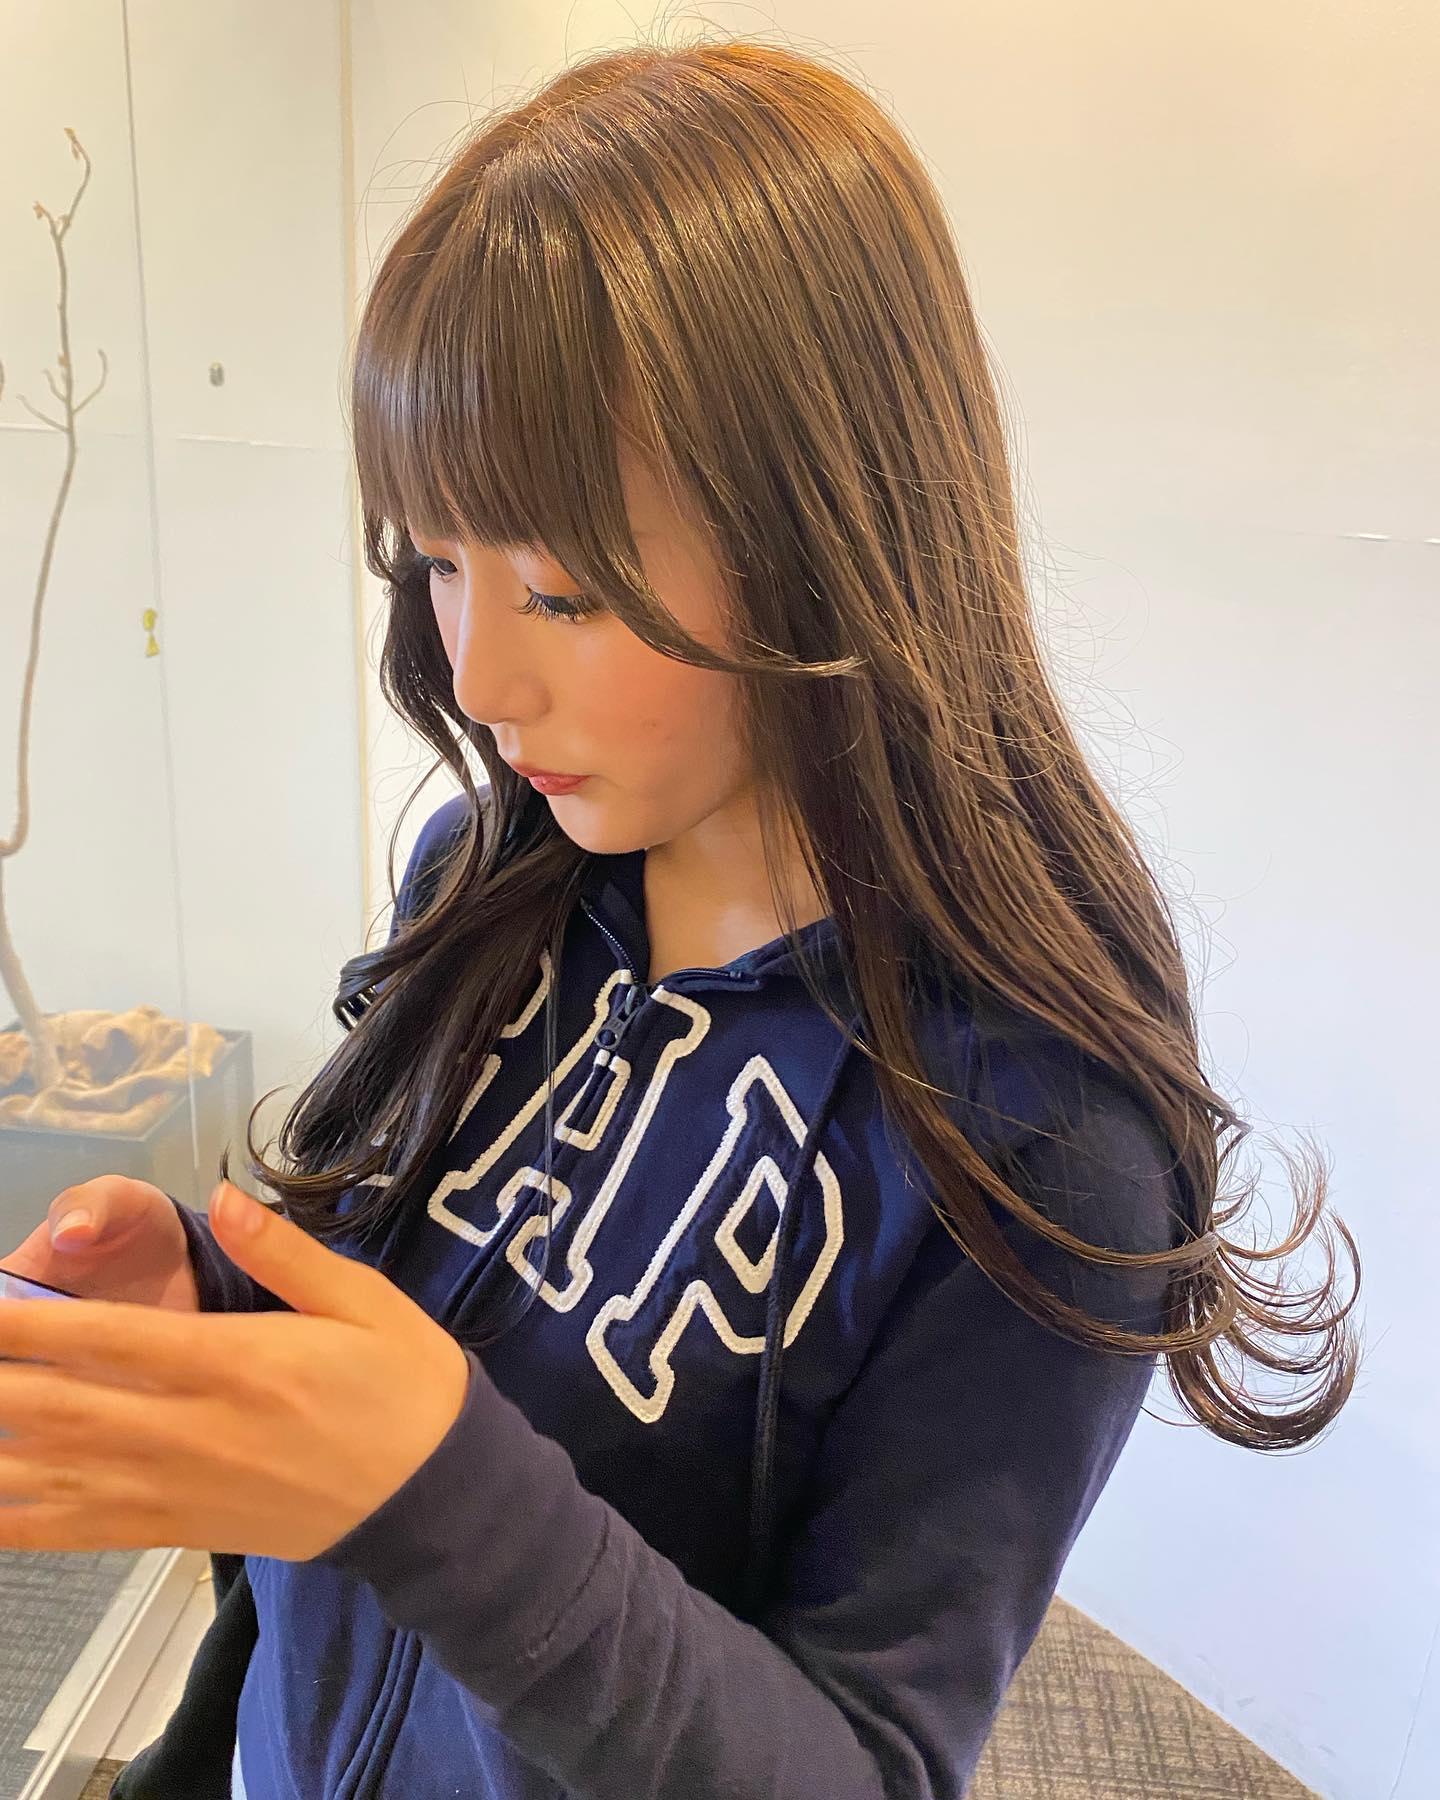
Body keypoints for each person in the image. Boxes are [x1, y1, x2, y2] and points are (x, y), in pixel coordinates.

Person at [0, 36, 1358, 1800]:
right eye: (436, 562)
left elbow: (861, 1766)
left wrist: (441, 1495)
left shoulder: (1031, 1145)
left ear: (828, 538)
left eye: (562, 589)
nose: (477, 677)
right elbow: (393, 1391)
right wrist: (214, 1314)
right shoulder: (485, 891)